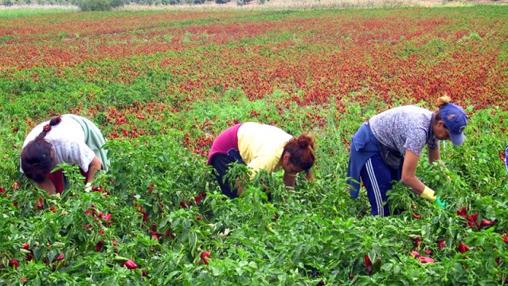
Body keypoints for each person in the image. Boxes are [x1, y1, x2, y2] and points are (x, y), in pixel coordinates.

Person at [347, 96, 467, 216]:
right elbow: (407, 177)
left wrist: (449, 183)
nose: (450, 139)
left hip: (390, 149)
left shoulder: (434, 126)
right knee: (383, 208)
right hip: (371, 146)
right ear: (441, 124)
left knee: (398, 198)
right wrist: (433, 197)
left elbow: (435, 164)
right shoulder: (419, 131)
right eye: (449, 134)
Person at [208, 122, 315, 198]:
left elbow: (289, 180)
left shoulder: (295, 148)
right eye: (293, 170)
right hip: (225, 149)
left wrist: (289, 201)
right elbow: (243, 183)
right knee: (233, 196)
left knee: (265, 191)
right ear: (286, 158)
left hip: (243, 135)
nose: (293, 173)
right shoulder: (269, 158)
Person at [20, 114, 110, 194]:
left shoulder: (69, 144)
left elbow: (96, 164)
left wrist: (88, 187)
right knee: (61, 187)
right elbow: (42, 181)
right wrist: (53, 201)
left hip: (82, 128)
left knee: (99, 178)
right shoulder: (27, 160)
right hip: (60, 134)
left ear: (52, 159)